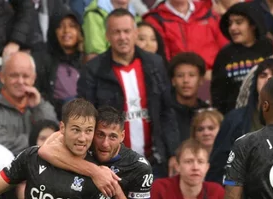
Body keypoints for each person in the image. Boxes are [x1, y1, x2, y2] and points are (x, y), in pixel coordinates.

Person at [77, 9, 179, 178]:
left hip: (154, 162)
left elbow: (167, 111)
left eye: (127, 31)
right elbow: (86, 118)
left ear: (135, 33)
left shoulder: (155, 64)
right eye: (116, 32)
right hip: (111, 165)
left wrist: (174, 153)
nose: (122, 37)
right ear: (107, 36)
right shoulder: (92, 70)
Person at [208, 58, 273, 184]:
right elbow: (218, 166)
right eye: (263, 75)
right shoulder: (234, 120)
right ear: (255, 82)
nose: (269, 79)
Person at [147, 139, 235, 199]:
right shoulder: (160, 188)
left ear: (207, 167)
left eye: (200, 162)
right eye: (189, 161)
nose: (195, 167)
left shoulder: (216, 191)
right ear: (177, 166)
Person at [210, 2, 273, 115]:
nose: (233, 28)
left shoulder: (269, 48)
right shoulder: (224, 55)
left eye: (239, 22)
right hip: (235, 118)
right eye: (230, 24)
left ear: (253, 24)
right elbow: (218, 95)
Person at [0, 52, 58, 156]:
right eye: (14, 75)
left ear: (33, 78)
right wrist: (39, 139)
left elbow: (54, 137)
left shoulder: (41, 104)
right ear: (2, 77)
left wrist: (38, 106)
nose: (20, 81)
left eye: (26, 76)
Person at [143, 0, 229, 71]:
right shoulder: (155, 20)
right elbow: (163, 61)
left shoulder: (208, 12)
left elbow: (227, 50)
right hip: (179, 82)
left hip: (214, 76)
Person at [34, 9, 86, 119]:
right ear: (53, 31)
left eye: (72, 26)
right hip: (54, 117)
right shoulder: (44, 60)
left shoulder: (86, 61)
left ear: (79, 31)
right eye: (60, 26)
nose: (66, 30)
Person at [169, 52, 209, 147]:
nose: (186, 80)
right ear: (173, 81)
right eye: (180, 75)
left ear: (201, 80)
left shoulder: (207, 112)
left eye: (191, 75)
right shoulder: (165, 113)